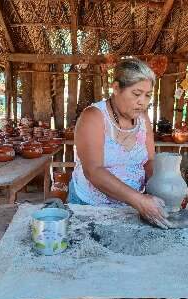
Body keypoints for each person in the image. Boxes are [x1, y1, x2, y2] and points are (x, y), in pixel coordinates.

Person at [67, 58, 171, 229]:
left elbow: (149, 162)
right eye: (136, 94)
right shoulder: (93, 117)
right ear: (116, 88)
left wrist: (160, 188)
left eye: (148, 95)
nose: (142, 102)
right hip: (91, 207)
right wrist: (139, 200)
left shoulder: (143, 119)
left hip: (132, 208)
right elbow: (93, 171)